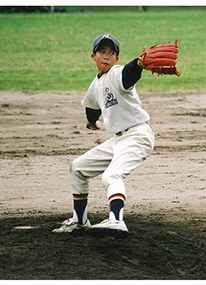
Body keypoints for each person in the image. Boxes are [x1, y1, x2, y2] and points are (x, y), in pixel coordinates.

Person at [53, 33, 155, 236]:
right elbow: (92, 107)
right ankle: (79, 220)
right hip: (118, 140)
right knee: (78, 167)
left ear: (117, 59)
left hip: (137, 136)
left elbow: (129, 73)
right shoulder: (97, 83)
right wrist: (92, 123)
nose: (106, 56)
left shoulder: (117, 74)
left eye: (111, 53)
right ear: (93, 57)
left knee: (112, 175)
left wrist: (139, 64)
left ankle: (116, 220)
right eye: (102, 52)